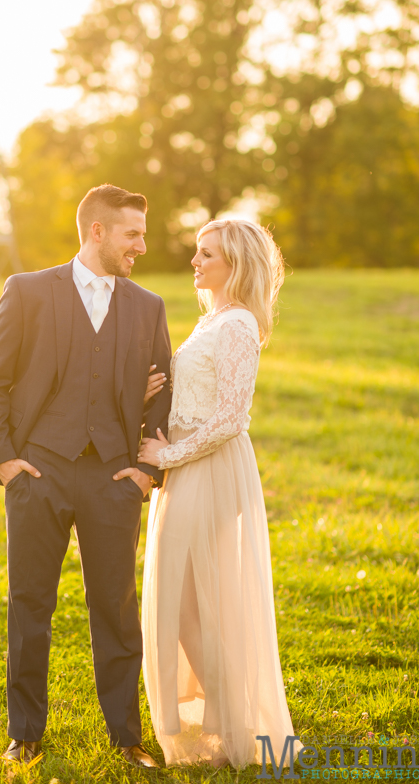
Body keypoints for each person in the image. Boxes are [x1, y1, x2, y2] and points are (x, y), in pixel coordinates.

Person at [0, 184, 172, 768]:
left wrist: (142, 471)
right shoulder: (30, 291)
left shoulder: (147, 305)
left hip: (114, 478)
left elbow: (162, 393)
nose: (142, 244)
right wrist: (5, 462)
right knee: (30, 602)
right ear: (99, 232)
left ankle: (127, 738)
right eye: (133, 233)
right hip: (39, 470)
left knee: (114, 604)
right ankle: (25, 733)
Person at [137, 217, 300, 768]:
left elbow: (233, 417)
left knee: (189, 601)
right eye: (198, 252)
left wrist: (169, 457)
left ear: (236, 265)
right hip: (189, 464)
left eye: (207, 254)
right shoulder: (214, 322)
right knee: (188, 600)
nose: (195, 262)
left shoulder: (236, 326)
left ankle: (235, 722)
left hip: (207, 467)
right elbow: (197, 396)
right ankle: (227, 719)